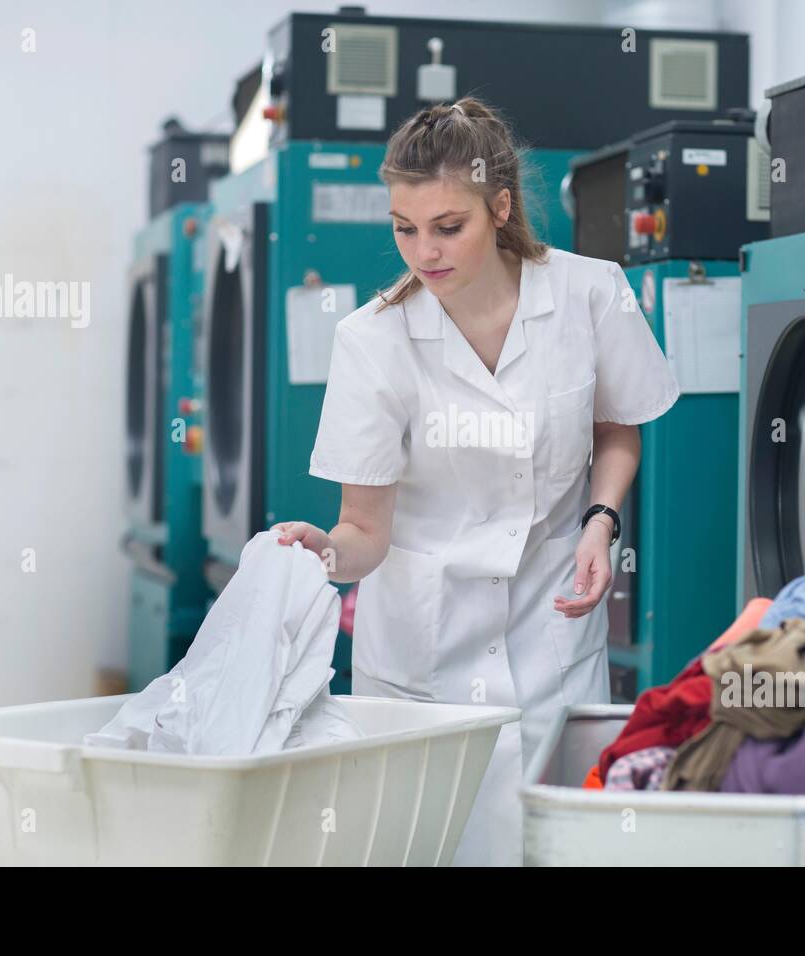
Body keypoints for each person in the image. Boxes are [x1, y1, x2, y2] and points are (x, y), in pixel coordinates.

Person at [271, 97, 679, 865]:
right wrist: (325, 551)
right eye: (404, 227)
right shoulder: (373, 340)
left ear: (499, 207)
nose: (423, 252)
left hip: (551, 632)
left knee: (556, 848)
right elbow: (365, 530)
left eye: (447, 226)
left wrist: (601, 520)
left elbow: (617, 426)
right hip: (424, 656)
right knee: (426, 849)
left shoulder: (591, 293)